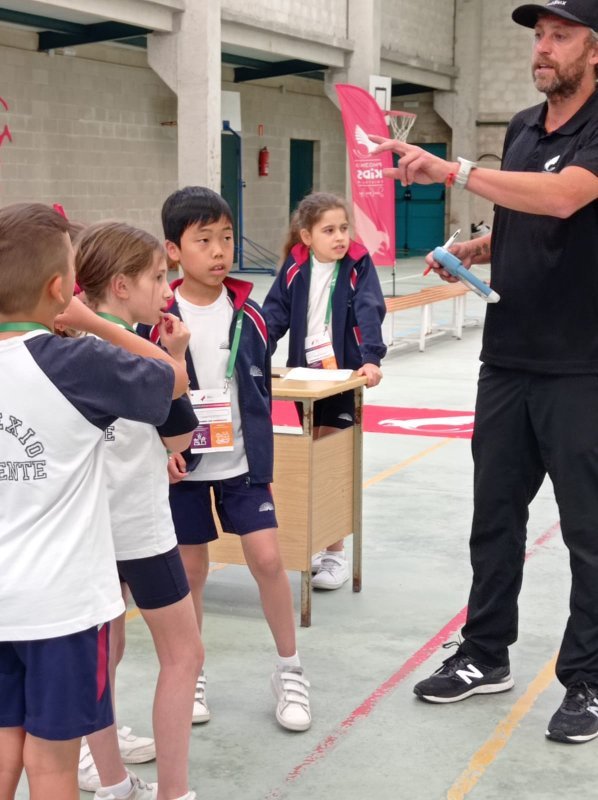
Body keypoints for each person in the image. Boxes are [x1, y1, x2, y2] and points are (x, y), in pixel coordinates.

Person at [370, 0, 598, 743]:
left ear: (595, 51)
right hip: (507, 359)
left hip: (581, 366)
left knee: (588, 533)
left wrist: (456, 170)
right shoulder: (524, 128)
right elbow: (525, 216)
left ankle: (589, 680)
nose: (543, 47)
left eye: (560, 35)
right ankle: (485, 653)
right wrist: (481, 248)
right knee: (494, 519)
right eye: (539, 35)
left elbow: (565, 198)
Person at [0, 202, 189, 800]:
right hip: (60, 606)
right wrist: (96, 323)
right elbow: (172, 379)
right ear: (60, 289)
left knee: (4, 748)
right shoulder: (76, 363)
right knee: (52, 763)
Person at [141, 185, 312, 732]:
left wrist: (262, 463)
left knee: (268, 560)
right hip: (183, 470)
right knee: (191, 572)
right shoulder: (155, 317)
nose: (219, 251)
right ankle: (192, 674)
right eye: (204, 240)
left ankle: (290, 669)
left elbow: (259, 391)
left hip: (242, 466)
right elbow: (144, 394)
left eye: (227, 238)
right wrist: (160, 450)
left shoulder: (251, 315)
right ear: (173, 251)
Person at [75, 222, 202, 800]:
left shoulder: (63, 351)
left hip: (86, 533)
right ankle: (174, 792)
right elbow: (181, 436)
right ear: (121, 286)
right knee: (183, 655)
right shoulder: (137, 359)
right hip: (139, 531)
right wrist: (174, 354)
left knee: (104, 656)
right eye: (156, 277)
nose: (167, 289)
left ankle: (111, 783)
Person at [262, 192, 386, 590]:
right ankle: (317, 542)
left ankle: (335, 554)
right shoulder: (295, 267)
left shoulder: (358, 264)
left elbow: (369, 309)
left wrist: (371, 358)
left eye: (344, 228)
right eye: (329, 230)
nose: (340, 237)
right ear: (307, 236)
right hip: (306, 379)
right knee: (312, 458)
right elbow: (273, 315)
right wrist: (254, 354)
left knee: (332, 461)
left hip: (344, 376)